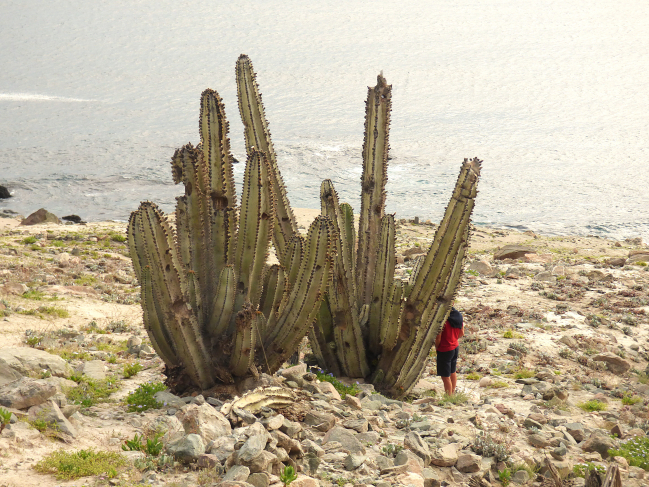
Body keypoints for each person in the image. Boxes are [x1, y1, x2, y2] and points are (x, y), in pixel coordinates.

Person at [435, 307, 464, 395]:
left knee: (445, 375)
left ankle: (448, 396)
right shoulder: (458, 315)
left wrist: (437, 347)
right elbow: (462, 333)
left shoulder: (442, 319)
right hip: (455, 346)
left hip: (445, 348)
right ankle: (453, 392)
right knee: (452, 371)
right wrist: (454, 339)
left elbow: (438, 337)